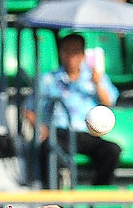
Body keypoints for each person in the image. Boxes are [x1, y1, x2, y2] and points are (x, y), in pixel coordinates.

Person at [24, 33, 121, 188]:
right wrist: (40, 128)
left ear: (82, 55)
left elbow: (109, 102)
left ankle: (100, 193)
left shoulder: (95, 77)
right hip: (60, 133)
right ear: (60, 53)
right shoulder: (48, 80)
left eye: (75, 52)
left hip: (87, 133)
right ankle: (52, 196)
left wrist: (97, 84)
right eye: (66, 51)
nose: (71, 57)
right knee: (48, 149)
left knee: (112, 150)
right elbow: (29, 109)